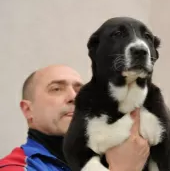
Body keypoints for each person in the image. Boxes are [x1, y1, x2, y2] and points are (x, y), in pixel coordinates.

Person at [0, 64, 150, 171]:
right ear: (28, 110)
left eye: (79, 90)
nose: (74, 97)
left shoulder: (109, 158)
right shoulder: (16, 167)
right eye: (56, 89)